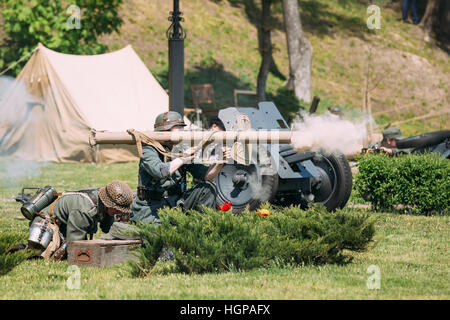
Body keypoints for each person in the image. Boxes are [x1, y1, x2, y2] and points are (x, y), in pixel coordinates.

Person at [130, 111, 230, 224]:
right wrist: (183, 158)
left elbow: (207, 176)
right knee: (158, 234)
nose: (182, 132)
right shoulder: (148, 149)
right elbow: (159, 171)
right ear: (164, 130)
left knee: (207, 188)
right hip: (150, 209)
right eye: (178, 128)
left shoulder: (180, 149)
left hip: (175, 204)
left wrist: (220, 162)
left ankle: (204, 232)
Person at [28, 180, 134, 259]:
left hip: (66, 225)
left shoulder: (105, 201)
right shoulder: (84, 209)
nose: (120, 213)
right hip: (47, 225)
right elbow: (75, 244)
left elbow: (108, 229)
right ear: (108, 204)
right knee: (45, 254)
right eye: (117, 209)